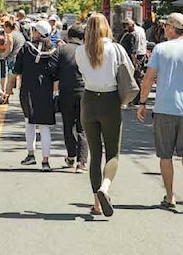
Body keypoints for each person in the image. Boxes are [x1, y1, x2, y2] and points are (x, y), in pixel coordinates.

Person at [137, 13, 183, 211]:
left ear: (170, 28)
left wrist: (142, 102)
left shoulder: (160, 49)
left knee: (165, 155)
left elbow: (149, 78)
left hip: (164, 109)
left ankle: (170, 197)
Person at [75, 13, 131, 217]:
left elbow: (83, 72)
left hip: (89, 100)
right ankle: (105, 188)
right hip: (110, 101)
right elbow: (129, 72)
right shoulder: (116, 49)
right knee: (112, 152)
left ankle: (96, 204)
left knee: (95, 153)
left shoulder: (81, 51)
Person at [11, 20, 58, 171]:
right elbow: (56, 74)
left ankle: (31, 154)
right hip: (46, 91)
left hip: (28, 90)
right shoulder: (53, 50)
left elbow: (17, 70)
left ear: (37, 32)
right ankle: (45, 161)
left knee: (29, 122)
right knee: (44, 127)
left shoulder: (26, 47)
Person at [54, 23, 87, 173]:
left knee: (68, 125)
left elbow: (51, 69)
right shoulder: (88, 50)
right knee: (83, 127)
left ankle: (71, 155)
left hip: (66, 91)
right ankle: (82, 162)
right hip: (85, 91)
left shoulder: (61, 49)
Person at [1, 20, 26, 104]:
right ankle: (25, 97)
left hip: (13, 59)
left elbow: (9, 49)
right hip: (22, 58)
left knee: (11, 79)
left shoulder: (10, 35)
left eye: (4, 27)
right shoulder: (19, 34)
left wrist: (2, 56)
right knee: (22, 79)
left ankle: (6, 98)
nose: (3, 29)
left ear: (8, 27)